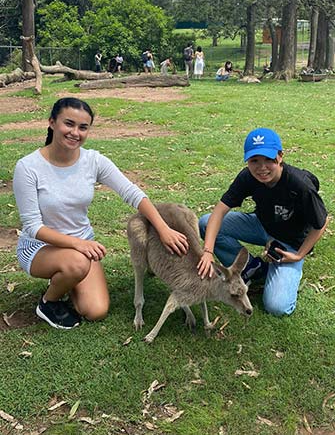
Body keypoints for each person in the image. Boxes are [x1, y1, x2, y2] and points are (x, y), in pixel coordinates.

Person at [13, 97, 189, 330]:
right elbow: (33, 226)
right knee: (76, 263)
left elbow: (132, 193)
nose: (75, 132)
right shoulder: (28, 167)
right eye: (69, 124)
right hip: (39, 247)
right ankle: (48, 301)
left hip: (81, 248)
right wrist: (78, 245)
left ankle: (66, 277)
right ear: (52, 122)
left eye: (83, 127)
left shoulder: (93, 160)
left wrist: (163, 229)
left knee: (96, 310)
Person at [197, 128, 328, 317]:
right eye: (254, 161)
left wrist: (299, 255)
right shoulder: (248, 176)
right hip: (261, 225)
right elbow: (220, 210)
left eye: (268, 159)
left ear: (280, 156)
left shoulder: (299, 184)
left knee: (277, 307)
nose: (262, 167)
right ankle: (253, 268)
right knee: (206, 222)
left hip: (290, 243)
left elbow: (321, 223)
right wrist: (207, 251)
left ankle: (287, 271)